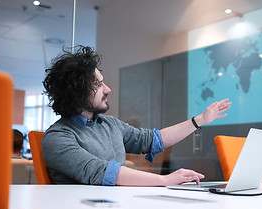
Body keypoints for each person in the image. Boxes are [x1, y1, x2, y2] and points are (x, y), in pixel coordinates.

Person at [41, 45, 231, 186]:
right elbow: (103, 172)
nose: (108, 89)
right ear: (77, 91)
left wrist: (200, 120)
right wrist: (165, 180)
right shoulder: (58, 137)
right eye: (98, 85)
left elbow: (153, 140)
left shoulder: (110, 125)